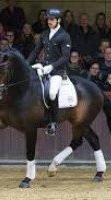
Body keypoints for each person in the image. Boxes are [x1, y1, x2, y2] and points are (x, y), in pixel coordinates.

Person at [27, 8, 71, 136]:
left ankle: (53, 121)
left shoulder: (64, 36)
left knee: (52, 93)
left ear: (59, 20)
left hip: (58, 70)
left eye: (52, 19)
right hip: (44, 67)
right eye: (48, 20)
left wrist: (51, 67)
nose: (49, 22)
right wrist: (26, 64)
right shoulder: (45, 34)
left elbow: (65, 57)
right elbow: (36, 51)